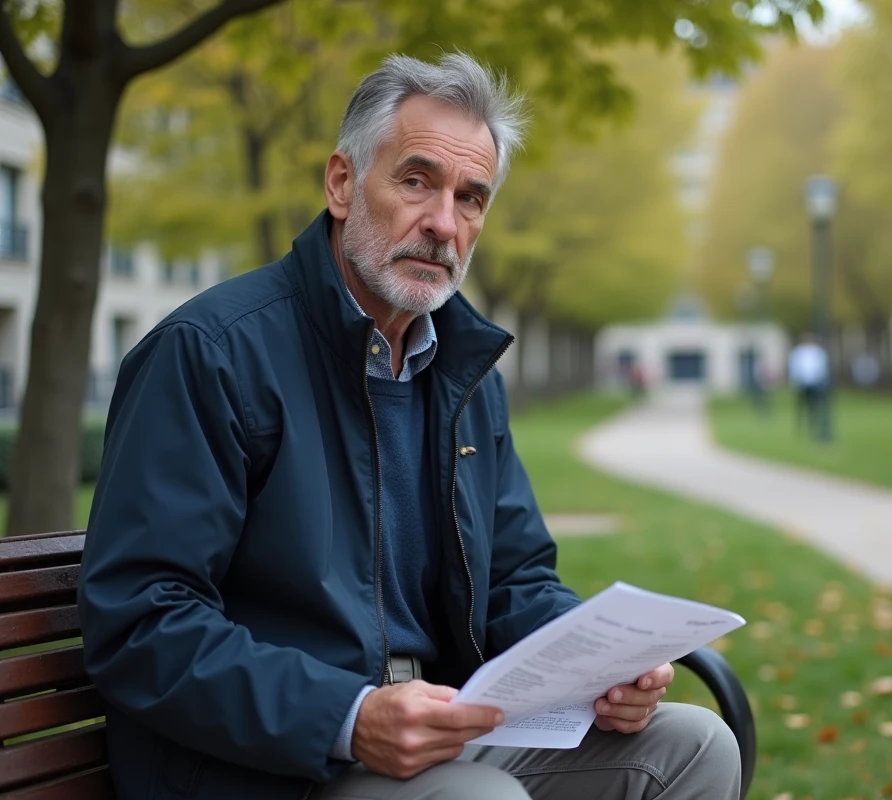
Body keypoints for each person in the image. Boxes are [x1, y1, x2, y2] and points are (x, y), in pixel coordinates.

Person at [78, 53, 739, 800]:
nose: (443, 224)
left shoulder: (464, 372)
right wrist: (348, 715)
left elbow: (516, 579)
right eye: (417, 181)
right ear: (341, 183)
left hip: (439, 733)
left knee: (696, 747)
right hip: (263, 764)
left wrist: (601, 662)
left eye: (472, 197)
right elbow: (139, 620)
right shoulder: (211, 353)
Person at [788, 333, 829, 434]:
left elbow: (822, 366)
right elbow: (794, 367)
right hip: (802, 382)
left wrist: (820, 379)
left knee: (814, 406)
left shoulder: (818, 351)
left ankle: (813, 425)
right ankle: (800, 427)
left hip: (815, 382)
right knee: (801, 406)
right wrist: (795, 380)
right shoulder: (798, 352)